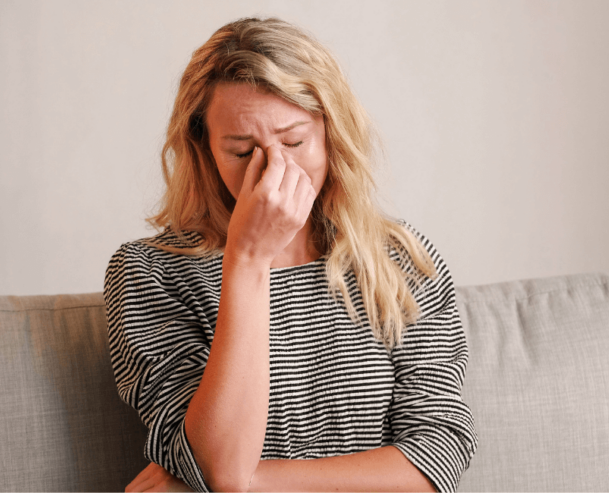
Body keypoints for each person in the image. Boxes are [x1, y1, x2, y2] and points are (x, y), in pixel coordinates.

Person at [104, 17, 476, 493]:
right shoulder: (150, 273)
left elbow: (438, 456)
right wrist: (248, 261)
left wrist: (254, 481)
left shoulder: (398, 260)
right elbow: (219, 463)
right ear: (205, 150)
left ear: (331, 133)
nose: (273, 170)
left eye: (294, 142)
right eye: (242, 152)